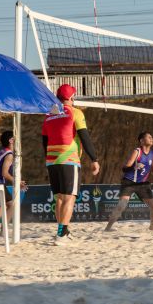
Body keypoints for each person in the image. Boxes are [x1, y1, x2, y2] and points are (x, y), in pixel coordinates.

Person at [42, 84, 100, 245]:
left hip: (51, 160)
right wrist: (94, 159)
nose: (74, 98)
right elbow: (85, 137)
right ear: (70, 98)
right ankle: (61, 235)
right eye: (73, 96)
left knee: (59, 199)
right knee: (69, 198)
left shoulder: (48, 115)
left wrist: (48, 161)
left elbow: (44, 142)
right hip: (68, 159)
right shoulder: (76, 113)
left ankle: (63, 231)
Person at [105, 131, 153, 232]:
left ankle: (152, 228)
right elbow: (125, 168)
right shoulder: (137, 151)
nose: (151, 139)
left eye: (152, 137)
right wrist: (134, 167)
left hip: (142, 184)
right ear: (141, 141)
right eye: (149, 137)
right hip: (128, 182)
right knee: (121, 206)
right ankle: (108, 228)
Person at [0, 130, 26, 237]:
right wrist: (17, 182)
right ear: (11, 141)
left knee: (8, 204)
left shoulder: (3, 151)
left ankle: (0, 229)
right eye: (16, 140)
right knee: (10, 204)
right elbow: (4, 173)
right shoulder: (9, 154)